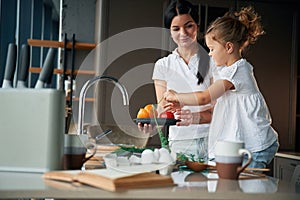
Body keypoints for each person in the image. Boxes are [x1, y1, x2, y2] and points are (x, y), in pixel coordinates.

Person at [163, 6, 279, 169]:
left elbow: (205, 97)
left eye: (212, 49)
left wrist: (177, 96)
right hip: (239, 146)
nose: (209, 54)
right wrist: (185, 109)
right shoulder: (224, 72)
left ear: (229, 47)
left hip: (255, 145)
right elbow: (215, 110)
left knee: (249, 188)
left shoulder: (238, 70)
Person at [142, 0, 214, 161]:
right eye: (176, 28)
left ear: (197, 25)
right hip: (179, 143)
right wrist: (152, 123)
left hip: (213, 140)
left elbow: (221, 111)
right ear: (170, 31)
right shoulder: (163, 65)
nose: (183, 33)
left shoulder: (213, 61)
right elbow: (163, 111)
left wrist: (194, 118)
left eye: (188, 26)